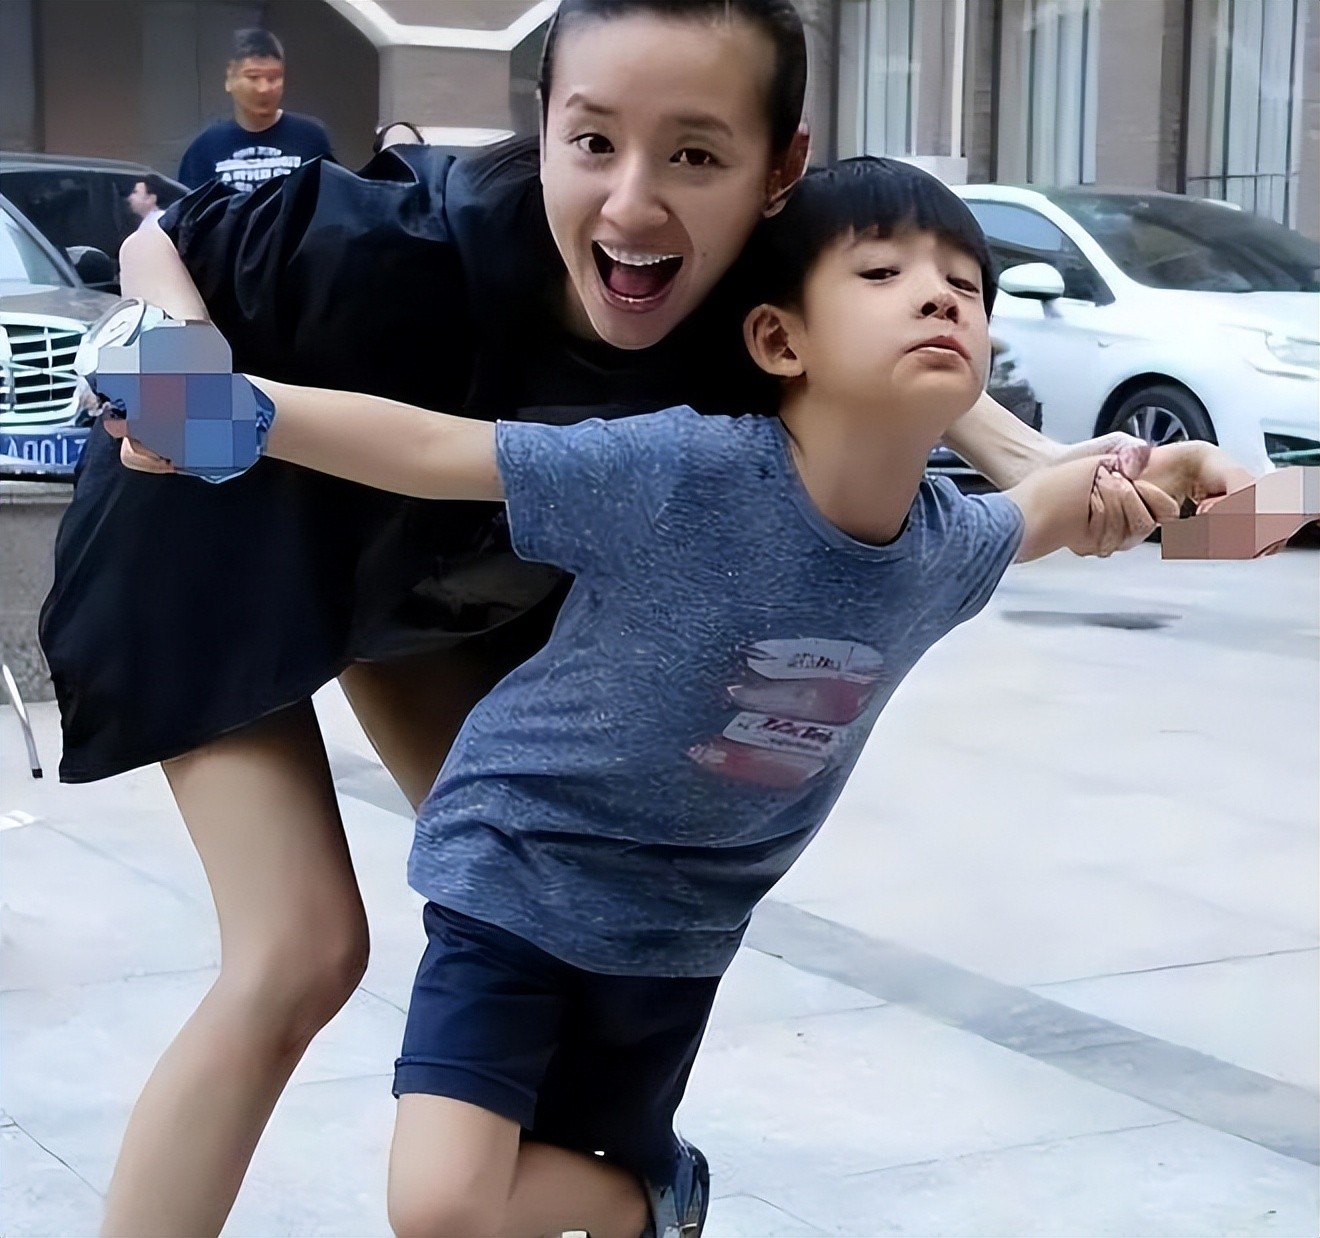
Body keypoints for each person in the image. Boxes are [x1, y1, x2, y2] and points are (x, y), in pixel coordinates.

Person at [40, 2, 1251, 1233]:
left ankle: (609, 1182)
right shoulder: (396, 246)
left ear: (780, 171)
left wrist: (1089, 473)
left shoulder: (745, 295)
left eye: (696, 153)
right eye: (593, 141)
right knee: (300, 948)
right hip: (223, 526)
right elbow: (163, 237)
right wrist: (180, 364)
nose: (633, 203)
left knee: (546, 873)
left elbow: (896, 344)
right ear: (543, 126)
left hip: (432, 566)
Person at [176, 27, 334, 192]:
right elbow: (188, 206)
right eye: (253, 77)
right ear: (230, 78)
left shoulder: (310, 138)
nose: (264, 89)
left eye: (273, 78)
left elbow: (332, 199)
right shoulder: (204, 149)